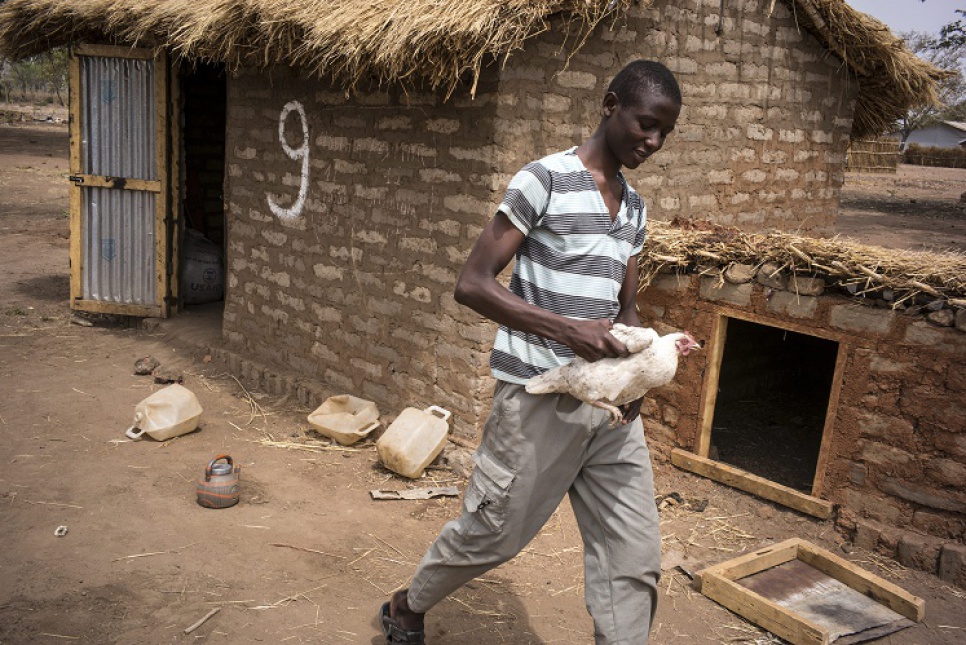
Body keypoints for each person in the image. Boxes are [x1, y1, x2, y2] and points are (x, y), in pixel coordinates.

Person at [380, 59, 682, 645]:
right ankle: (409, 604)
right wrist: (569, 332)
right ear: (610, 103)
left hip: (610, 414)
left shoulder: (635, 209)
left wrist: (635, 379)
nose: (654, 140)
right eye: (647, 123)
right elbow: (472, 283)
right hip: (538, 398)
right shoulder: (543, 179)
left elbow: (627, 307)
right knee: (496, 532)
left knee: (635, 555)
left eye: (665, 131)